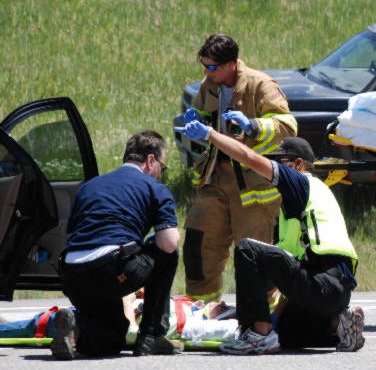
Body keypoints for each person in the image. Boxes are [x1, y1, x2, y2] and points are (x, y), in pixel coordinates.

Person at [175, 121, 365, 354]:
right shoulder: (308, 201)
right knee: (286, 334)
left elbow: (248, 157)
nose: (274, 165)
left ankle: (258, 336)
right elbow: (288, 275)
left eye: (280, 161)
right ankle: (339, 325)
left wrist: (211, 134)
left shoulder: (299, 181)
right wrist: (268, 318)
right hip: (331, 293)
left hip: (323, 282)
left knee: (247, 249)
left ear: (297, 164)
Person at [181, 33, 298, 303]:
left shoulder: (260, 84)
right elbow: (203, 114)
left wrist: (253, 126)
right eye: (204, 66)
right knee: (200, 243)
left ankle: (262, 317)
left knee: (255, 253)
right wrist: (195, 119)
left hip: (253, 184)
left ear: (231, 64)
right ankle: (203, 308)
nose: (206, 72)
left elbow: (287, 125)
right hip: (215, 175)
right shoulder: (208, 84)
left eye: (212, 67)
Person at [54, 131, 182, 359]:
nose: (161, 174)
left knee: (109, 341)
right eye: (163, 167)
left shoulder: (90, 186)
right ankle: (151, 336)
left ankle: (76, 328)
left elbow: (73, 234)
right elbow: (169, 243)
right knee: (165, 252)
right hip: (112, 270)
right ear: (151, 160)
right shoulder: (155, 188)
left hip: (72, 276)